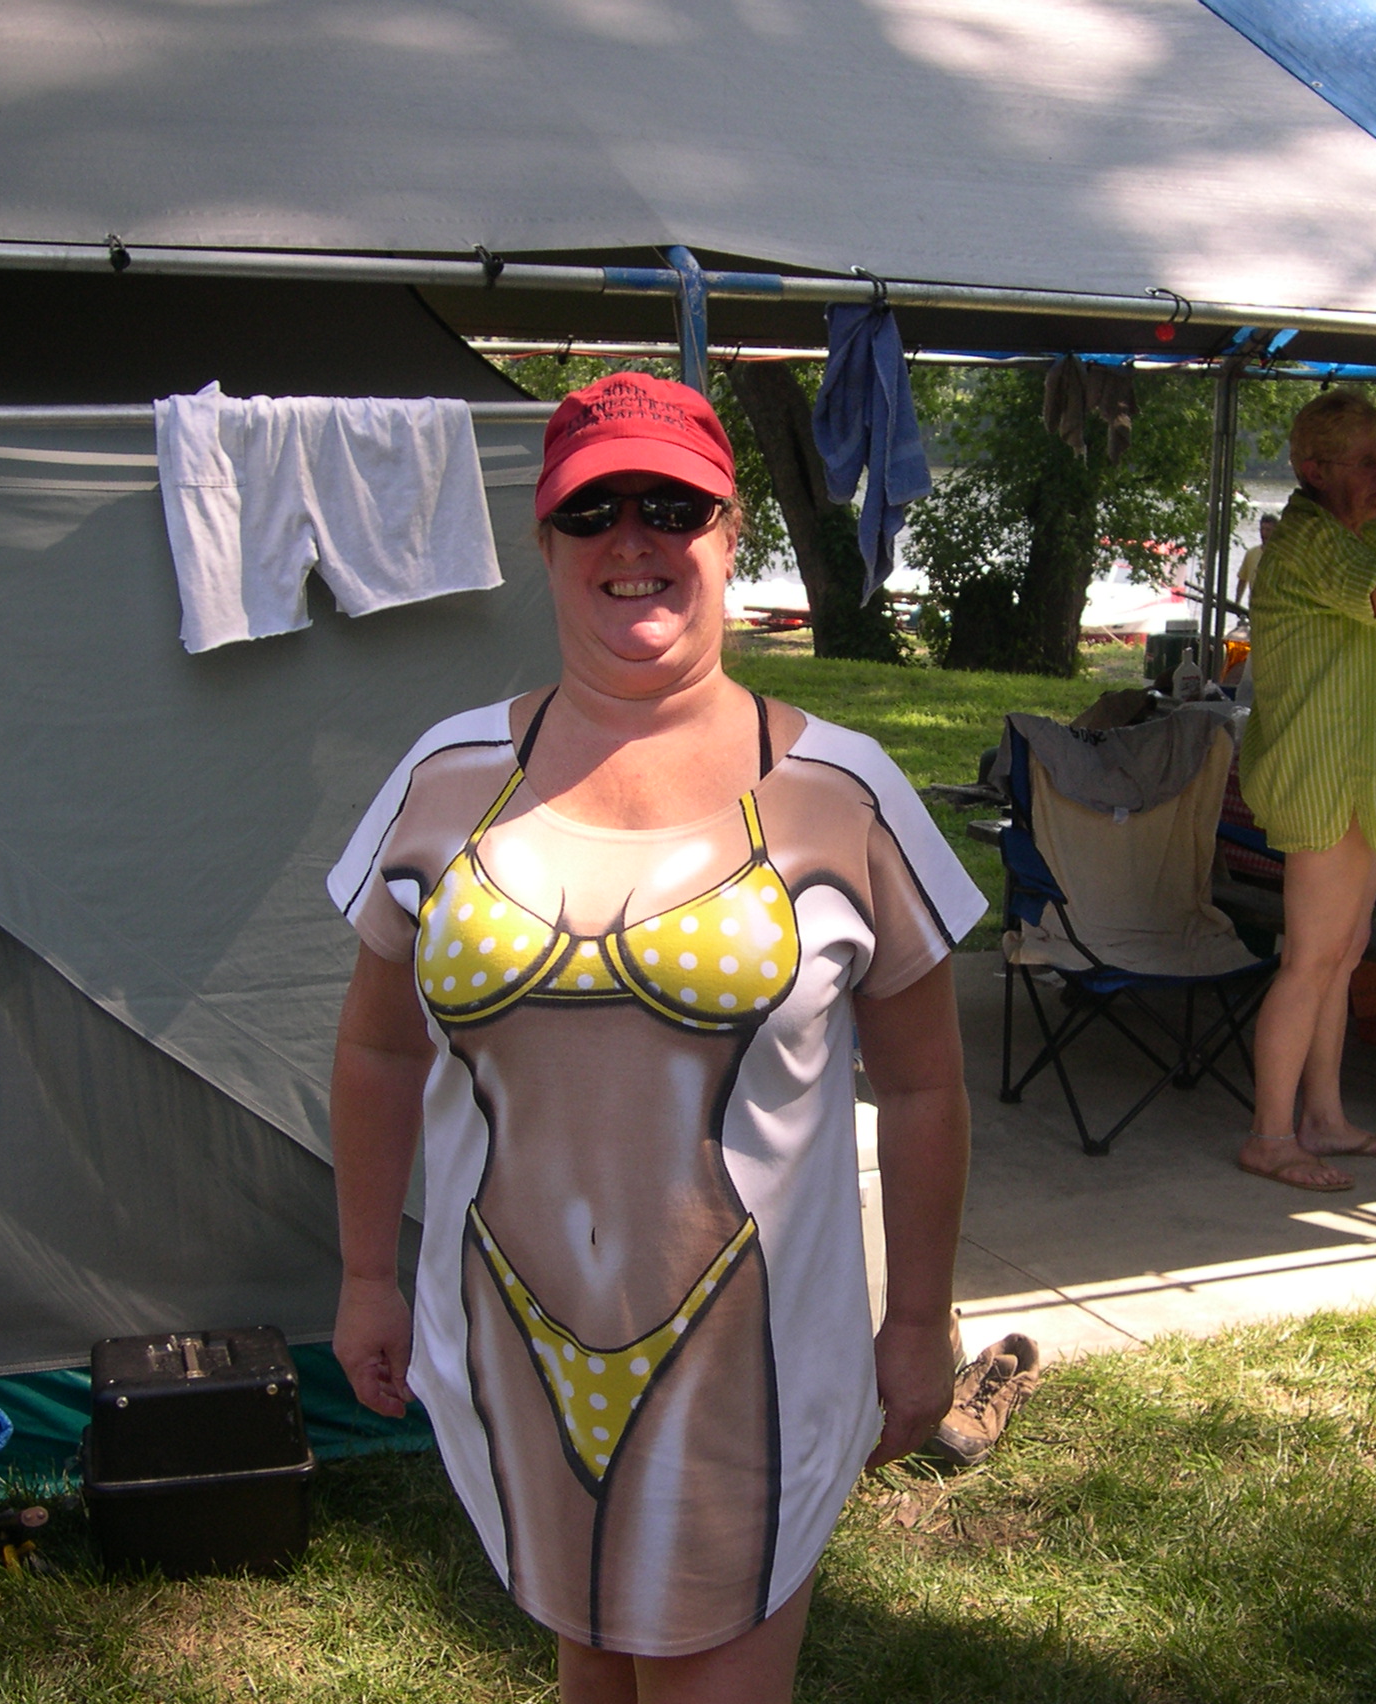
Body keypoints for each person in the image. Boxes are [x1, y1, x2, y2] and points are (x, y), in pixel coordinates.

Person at [326, 372, 983, 1702]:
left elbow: (925, 1090)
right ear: (545, 542)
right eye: (594, 511)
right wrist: (362, 1274)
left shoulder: (843, 792)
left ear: (731, 535)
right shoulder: (444, 776)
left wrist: (919, 1317)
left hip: (753, 1361)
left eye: (673, 508)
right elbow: (379, 1051)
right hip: (506, 1342)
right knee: (592, 1663)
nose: (633, 540)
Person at [1235, 389, 1376, 1191]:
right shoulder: (1312, 539)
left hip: (1357, 772)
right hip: (1319, 773)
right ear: (1315, 470)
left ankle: (1323, 1117)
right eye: (1368, 463)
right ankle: (1270, 1135)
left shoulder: (1347, 538)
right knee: (1310, 959)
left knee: (1342, 957)